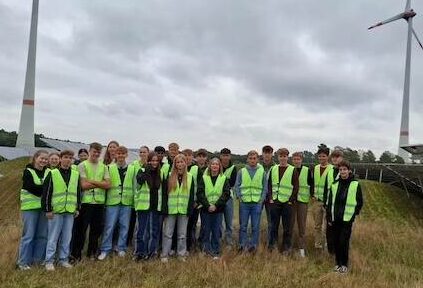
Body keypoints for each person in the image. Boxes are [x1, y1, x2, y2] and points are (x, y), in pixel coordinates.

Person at [70, 142, 111, 261]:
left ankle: (91, 254)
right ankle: (76, 255)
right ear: (90, 151)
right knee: (80, 231)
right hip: (85, 202)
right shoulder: (82, 165)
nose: (96, 154)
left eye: (99, 152)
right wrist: (100, 183)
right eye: (94, 151)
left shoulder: (103, 166)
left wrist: (91, 181)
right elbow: (83, 185)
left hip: (98, 203)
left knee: (95, 231)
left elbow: (108, 184)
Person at [42, 150, 81, 271]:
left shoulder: (75, 174)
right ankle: (49, 261)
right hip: (56, 211)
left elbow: (78, 192)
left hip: (69, 211)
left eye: (70, 158)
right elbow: (47, 193)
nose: (68, 160)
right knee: (53, 237)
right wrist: (48, 209)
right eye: (65, 157)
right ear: (60, 159)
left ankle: (63, 259)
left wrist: (77, 207)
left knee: (67, 237)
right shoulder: (53, 173)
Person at [98, 146, 135, 260]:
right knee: (109, 227)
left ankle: (121, 248)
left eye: (123, 153)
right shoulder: (109, 168)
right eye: (118, 153)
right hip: (112, 202)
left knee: (124, 226)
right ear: (115, 155)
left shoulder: (132, 169)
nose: (120, 156)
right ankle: (105, 249)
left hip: (126, 202)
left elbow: (134, 186)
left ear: (126, 155)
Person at [326, 160, 363, 274]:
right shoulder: (334, 185)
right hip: (335, 218)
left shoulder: (355, 184)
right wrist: (329, 217)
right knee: (336, 241)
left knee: (343, 242)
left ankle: (344, 265)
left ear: (349, 170)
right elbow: (330, 202)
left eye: (345, 169)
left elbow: (359, 202)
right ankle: (337, 264)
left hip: (347, 220)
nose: (342, 171)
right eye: (341, 170)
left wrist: (354, 214)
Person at [17, 150, 50, 270]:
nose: (44, 161)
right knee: (28, 236)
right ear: (35, 158)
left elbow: (50, 188)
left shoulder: (49, 172)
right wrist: (46, 189)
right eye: (41, 158)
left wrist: (44, 189)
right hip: (30, 208)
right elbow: (32, 188)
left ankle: (37, 260)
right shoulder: (28, 171)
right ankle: (23, 262)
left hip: (44, 208)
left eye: (46, 159)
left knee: (42, 235)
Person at [160, 154, 195, 263]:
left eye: (182, 162)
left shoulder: (190, 177)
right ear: (175, 164)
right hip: (171, 210)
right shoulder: (169, 175)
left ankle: (181, 254)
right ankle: (165, 254)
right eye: (178, 162)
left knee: (182, 234)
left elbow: (191, 195)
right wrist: (164, 209)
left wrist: (190, 210)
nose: (180, 164)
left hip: (183, 210)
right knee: (168, 233)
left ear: (185, 163)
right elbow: (165, 195)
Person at [197, 158, 230, 259]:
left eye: (217, 164)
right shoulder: (204, 178)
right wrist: (208, 205)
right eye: (213, 164)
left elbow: (226, 194)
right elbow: (200, 193)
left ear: (219, 166)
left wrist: (216, 205)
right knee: (206, 230)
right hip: (206, 209)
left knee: (216, 231)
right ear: (209, 166)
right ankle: (205, 250)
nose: (215, 166)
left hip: (218, 209)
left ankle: (215, 251)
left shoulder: (224, 178)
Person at [235, 150, 267, 253]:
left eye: (254, 158)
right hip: (244, 203)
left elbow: (265, 188)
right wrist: (240, 198)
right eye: (250, 158)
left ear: (257, 159)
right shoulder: (241, 171)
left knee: (255, 226)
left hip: (256, 203)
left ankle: (253, 247)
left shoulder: (262, 172)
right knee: (243, 226)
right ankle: (242, 246)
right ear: (247, 159)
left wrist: (261, 200)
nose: (252, 160)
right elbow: (237, 185)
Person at [267, 148, 299, 255]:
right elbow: (270, 184)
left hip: (287, 203)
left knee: (287, 227)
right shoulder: (273, 169)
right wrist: (271, 197)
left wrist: (291, 200)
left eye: (285, 156)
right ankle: (273, 246)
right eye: (281, 156)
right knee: (273, 226)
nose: (283, 158)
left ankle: (286, 248)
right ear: (278, 157)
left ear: (287, 157)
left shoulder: (292, 169)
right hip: (275, 201)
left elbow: (296, 186)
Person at [134, 152, 164, 261]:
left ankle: (152, 253)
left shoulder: (161, 173)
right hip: (143, 206)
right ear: (148, 160)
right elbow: (139, 182)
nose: (154, 163)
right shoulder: (142, 170)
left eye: (156, 161)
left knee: (154, 232)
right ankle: (140, 253)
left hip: (156, 207)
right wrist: (146, 169)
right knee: (141, 232)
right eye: (152, 160)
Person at [289, 152, 313, 257]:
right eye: (294, 159)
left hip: (302, 201)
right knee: (289, 224)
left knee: (301, 226)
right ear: (292, 160)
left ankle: (301, 248)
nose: (296, 161)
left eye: (298, 159)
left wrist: (312, 195)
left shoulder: (307, 171)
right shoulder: (289, 170)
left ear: (301, 160)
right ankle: (289, 247)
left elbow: (312, 184)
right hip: (290, 201)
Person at [312, 146, 333, 249]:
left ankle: (327, 245)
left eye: (323, 156)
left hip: (327, 202)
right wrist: (313, 194)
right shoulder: (315, 168)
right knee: (317, 226)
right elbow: (312, 183)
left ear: (328, 157)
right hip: (316, 201)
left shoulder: (332, 169)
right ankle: (317, 245)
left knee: (327, 226)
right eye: (319, 156)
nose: (321, 158)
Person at [324, 149, 344, 255]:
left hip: (340, 206)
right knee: (329, 229)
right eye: (333, 157)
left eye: (337, 157)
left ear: (341, 158)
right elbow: (325, 188)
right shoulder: (330, 171)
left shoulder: (345, 171)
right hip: (329, 205)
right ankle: (330, 251)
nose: (335, 159)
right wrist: (324, 203)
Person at [219, 148, 237, 247]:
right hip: (218, 197)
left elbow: (232, 183)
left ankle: (229, 242)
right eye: (223, 155)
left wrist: (221, 182)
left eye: (227, 155)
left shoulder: (233, 168)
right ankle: (219, 240)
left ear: (230, 156)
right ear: (220, 156)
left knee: (228, 222)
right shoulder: (217, 165)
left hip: (228, 198)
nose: (225, 157)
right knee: (219, 222)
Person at [182, 149, 200, 252]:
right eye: (185, 155)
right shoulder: (178, 167)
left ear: (192, 157)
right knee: (180, 227)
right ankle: (179, 246)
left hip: (193, 203)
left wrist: (197, 201)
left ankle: (190, 247)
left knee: (191, 226)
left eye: (189, 155)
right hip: (181, 203)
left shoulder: (196, 169)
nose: (187, 157)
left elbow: (201, 186)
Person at [261, 145, 275, 247]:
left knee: (271, 221)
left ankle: (271, 243)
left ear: (272, 154)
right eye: (265, 152)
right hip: (259, 197)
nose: (267, 155)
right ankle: (255, 244)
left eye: (269, 152)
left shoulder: (276, 167)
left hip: (271, 197)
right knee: (255, 221)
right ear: (262, 154)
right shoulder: (258, 166)